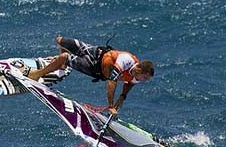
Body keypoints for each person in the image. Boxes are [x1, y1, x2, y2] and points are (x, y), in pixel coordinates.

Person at [26, 36, 154, 116]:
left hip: (94, 68)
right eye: (145, 77)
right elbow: (112, 81)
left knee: (65, 57)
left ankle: (37, 74)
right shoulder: (127, 60)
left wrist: (122, 97)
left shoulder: (137, 76)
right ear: (139, 69)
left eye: (146, 79)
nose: (144, 80)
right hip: (96, 53)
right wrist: (110, 106)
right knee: (61, 41)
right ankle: (60, 64)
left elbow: (130, 83)